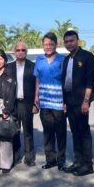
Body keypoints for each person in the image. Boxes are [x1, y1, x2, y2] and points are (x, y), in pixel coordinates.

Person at [62, 30, 94, 176]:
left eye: (72, 41)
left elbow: (90, 80)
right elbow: (64, 81)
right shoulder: (66, 59)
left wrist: (86, 101)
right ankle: (78, 161)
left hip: (82, 101)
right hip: (69, 101)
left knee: (84, 132)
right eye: (67, 42)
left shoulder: (87, 56)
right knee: (75, 132)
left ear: (78, 41)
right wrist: (65, 102)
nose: (69, 44)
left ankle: (88, 165)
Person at [34, 32, 67, 170]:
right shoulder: (39, 60)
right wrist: (36, 97)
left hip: (59, 103)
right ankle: (50, 160)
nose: (48, 47)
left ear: (56, 45)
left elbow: (66, 81)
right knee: (48, 133)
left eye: (51, 44)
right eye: (46, 44)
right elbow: (37, 79)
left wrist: (66, 102)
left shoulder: (63, 60)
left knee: (60, 133)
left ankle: (61, 161)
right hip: (45, 103)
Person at [7, 42, 37, 167]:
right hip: (13, 103)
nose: (20, 52)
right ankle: (15, 156)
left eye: (23, 50)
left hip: (27, 103)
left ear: (26, 52)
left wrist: (36, 103)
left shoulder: (33, 66)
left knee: (28, 131)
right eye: (18, 50)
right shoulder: (9, 67)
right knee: (14, 131)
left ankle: (29, 157)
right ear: (14, 52)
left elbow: (37, 85)